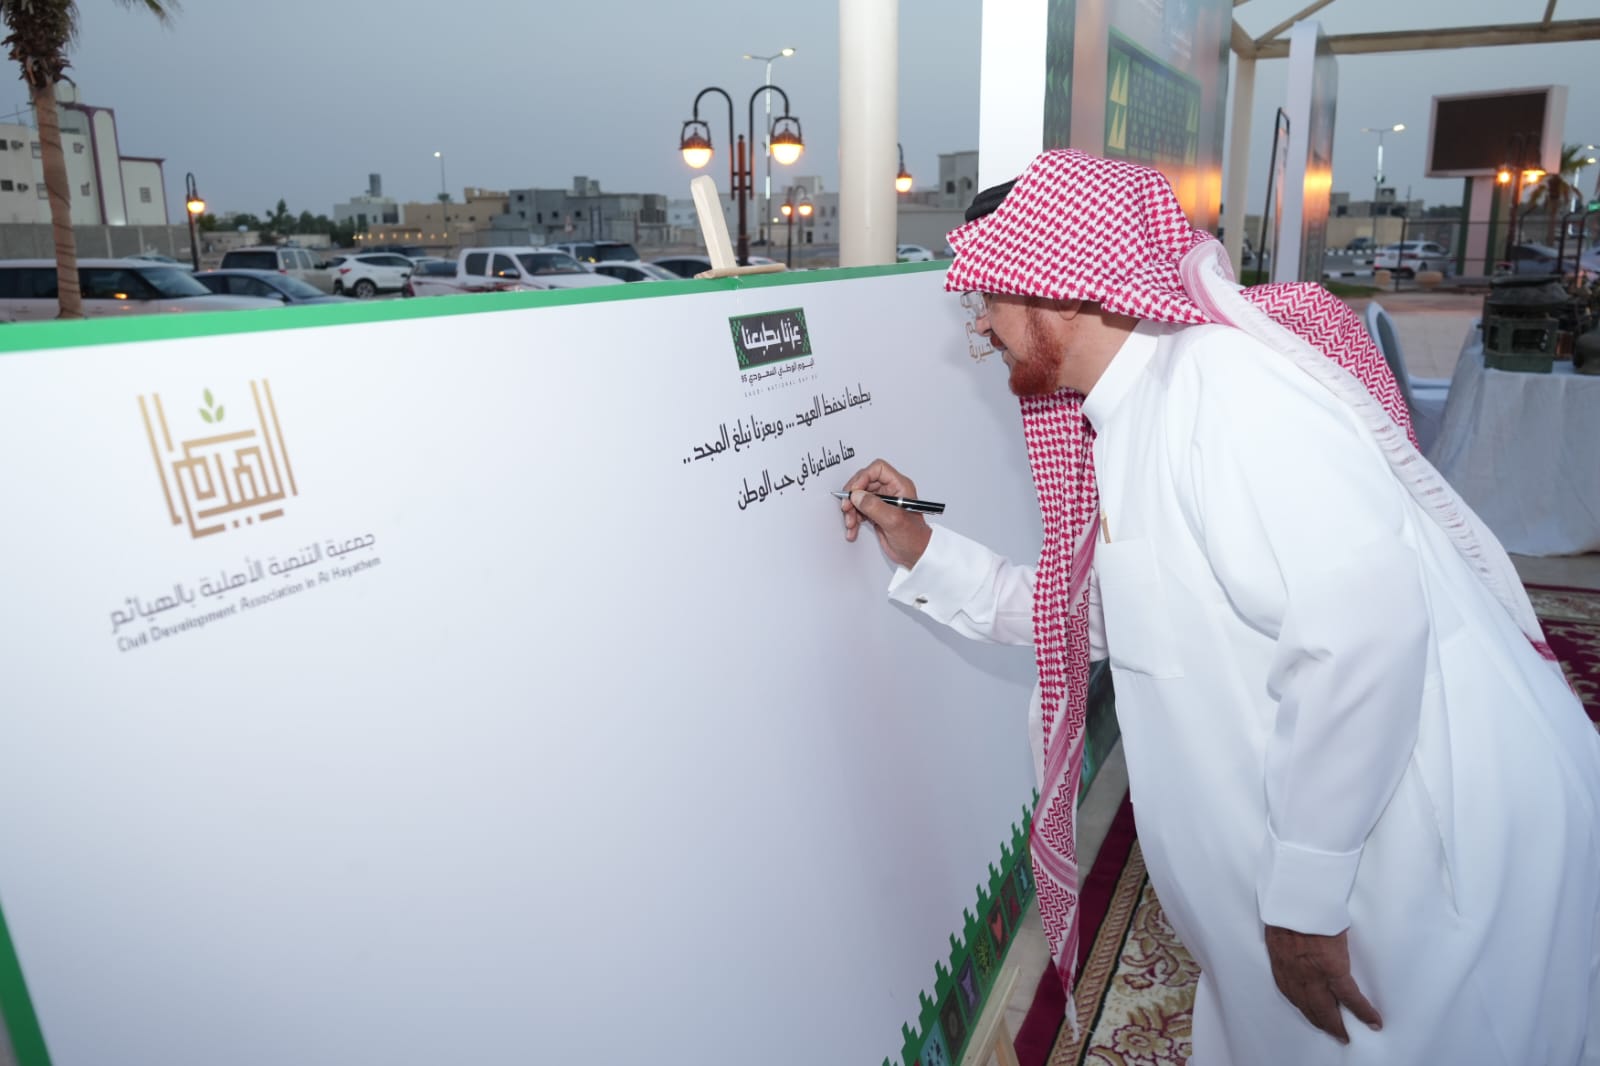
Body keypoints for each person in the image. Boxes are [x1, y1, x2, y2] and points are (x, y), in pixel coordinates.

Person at [840, 149, 1600, 1065]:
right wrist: (922, 548)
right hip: (1330, 868)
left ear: (1061, 289)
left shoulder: (1227, 392)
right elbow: (1095, 616)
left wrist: (1306, 896)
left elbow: (1362, 631)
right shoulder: (1133, 417)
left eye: (989, 300)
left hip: (1417, 872)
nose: (982, 329)